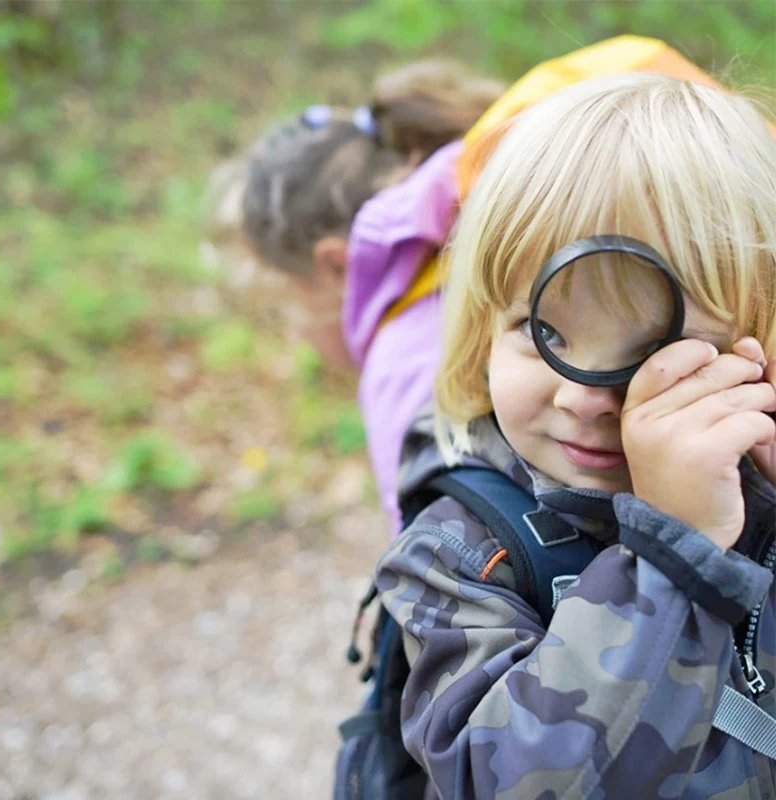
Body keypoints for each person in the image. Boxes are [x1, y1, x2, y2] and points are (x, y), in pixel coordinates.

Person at [374, 72, 776, 798]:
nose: (586, 396)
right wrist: (670, 557)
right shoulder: (460, 553)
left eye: (650, 349)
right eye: (544, 330)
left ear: (753, 354)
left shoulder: (756, 482)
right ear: (481, 332)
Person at [206, 60, 504, 535]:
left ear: (336, 265)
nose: (295, 330)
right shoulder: (479, 254)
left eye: (286, 301)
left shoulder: (403, 363)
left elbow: (435, 573)